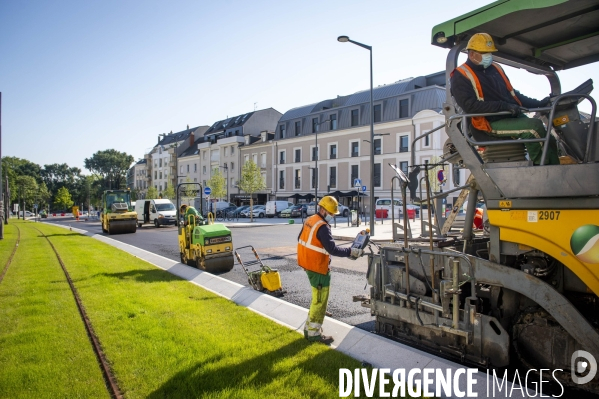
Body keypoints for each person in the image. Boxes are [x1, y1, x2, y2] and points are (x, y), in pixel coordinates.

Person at [450, 33, 559, 165]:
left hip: (509, 116)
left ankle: (557, 170)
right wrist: (503, 106)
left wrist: (540, 103)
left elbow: (513, 94)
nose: (488, 56)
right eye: (484, 52)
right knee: (534, 128)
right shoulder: (460, 75)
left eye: (490, 53)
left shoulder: (495, 68)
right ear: (472, 54)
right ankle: (543, 171)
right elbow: (470, 106)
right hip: (487, 123)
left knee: (549, 137)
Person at [297, 196, 363, 344]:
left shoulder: (310, 220)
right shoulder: (323, 227)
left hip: (308, 264)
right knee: (320, 301)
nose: (333, 216)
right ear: (324, 210)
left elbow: (300, 239)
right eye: (332, 213)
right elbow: (332, 249)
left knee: (316, 299)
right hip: (318, 268)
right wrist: (351, 251)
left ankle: (309, 330)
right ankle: (314, 334)